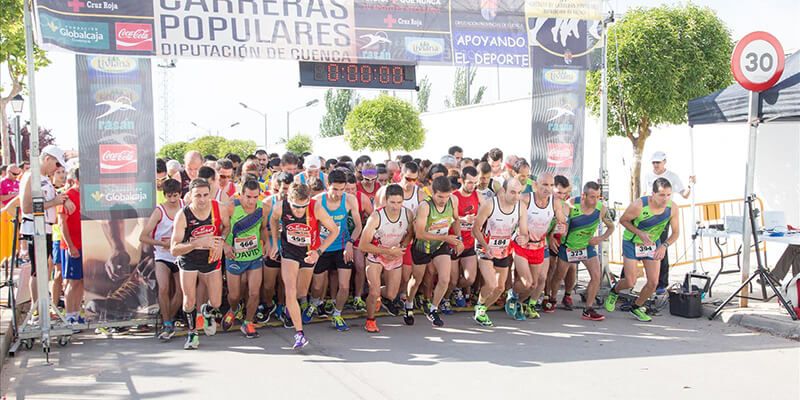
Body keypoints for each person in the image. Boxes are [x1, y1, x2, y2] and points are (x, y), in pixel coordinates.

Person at [268, 182, 340, 349]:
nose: (300, 210)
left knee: (301, 292)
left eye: (304, 206)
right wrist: (274, 243)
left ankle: (289, 309)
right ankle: (299, 334)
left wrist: (319, 252)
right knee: (291, 291)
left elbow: (334, 230)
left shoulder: (316, 208)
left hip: (309, 254)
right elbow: (272, 220)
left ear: (309, 199)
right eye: (296, 207)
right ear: (289, 199)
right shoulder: (280, 207)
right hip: (289, 253)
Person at [605, 178, 680, 322]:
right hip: (632, 242)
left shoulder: (673, 208)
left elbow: (676, 233)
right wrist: (640, 233)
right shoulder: (639, 205)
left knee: (653, 282)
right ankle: (614, 291)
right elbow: (623, 220)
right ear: (653, 194)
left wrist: (664, 246)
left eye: (669, 195)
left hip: (652, 243)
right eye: (662, 195)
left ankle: (636, 307)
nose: (666, 199)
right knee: (630, 281)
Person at [171, 178, 231, 350]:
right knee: (189, 300)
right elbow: (174, 249)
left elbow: (226, 227)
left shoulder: (219, 208)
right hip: (189, 258)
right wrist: (197, 243)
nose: (203, 199)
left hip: (211, 257)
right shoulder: (183, 215)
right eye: (198, 196)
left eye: (206, 195)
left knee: (217, 302)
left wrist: (221, 241)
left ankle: (207, 311)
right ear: (190, 195)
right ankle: (192, 334)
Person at [309, 170, 362, 331]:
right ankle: (313, 304)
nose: (338, 194)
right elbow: (311, 227)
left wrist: (350, 243)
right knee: (317, 286)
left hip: (342, 246)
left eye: (342, 189)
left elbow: (358, 225)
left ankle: (337, 314)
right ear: (327, 186)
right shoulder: (317, 201)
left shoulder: (350, 200)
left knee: (344, 286)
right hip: (323, 248)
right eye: (335, 190)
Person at [552, 181, 614, 321]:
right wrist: (559, 233)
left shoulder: (601, 208)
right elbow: (562, 224)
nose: (595, 200)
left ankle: (588, 309)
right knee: (558, 276)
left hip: (587, 247)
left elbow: (611, 227)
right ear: (583, 195)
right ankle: (552, 298)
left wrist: (600, 238)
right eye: (592, 196)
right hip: (568, 246)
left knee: (596, 275)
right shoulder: (571, 204)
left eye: (598, 197)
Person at [19, 145, 68, 323]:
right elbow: (26, 207)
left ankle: (42, 307)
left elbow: (50, 200)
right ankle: (37, 309)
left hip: (45, 228)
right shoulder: (31, 176)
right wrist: (53, 202)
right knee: (38, 270)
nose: (56, 169)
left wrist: (60, 200)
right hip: (35, 229)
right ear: (47, 159)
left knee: (44, 269)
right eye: (56, 164)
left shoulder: (44, 178)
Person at [509, 172, 566, 320]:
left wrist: (561, 228)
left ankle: (518, 302)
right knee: (526, 282)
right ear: (536, 185)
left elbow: (562, 222)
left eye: (551, 185)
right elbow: (509, 212)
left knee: (534, 284)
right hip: (521, 245)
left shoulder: (555, 202)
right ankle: (512, 294)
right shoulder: (526, 199)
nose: (548, 188)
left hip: (539, 246)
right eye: (545, 185)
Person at [408, 176, 463, 327]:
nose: (443, 200)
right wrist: (446, 237)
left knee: (445, 279)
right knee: (416, 281)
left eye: (446, 196)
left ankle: (433, 309)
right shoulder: (425, 206)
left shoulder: (453, 201)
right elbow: (419, 234)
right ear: (433, 193)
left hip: (440, 245)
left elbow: (456, 219)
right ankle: (409, 303)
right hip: (422, 246)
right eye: (440, 196)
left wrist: (459, 239)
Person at [471, 178, 527, 326]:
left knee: (500, 288)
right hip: (485, 247)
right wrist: (485, 245)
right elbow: (475, 229)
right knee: (491, 284)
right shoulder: (490, 205)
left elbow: (524, 232)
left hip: (503, 250)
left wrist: (523, 238)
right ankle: (480, 307)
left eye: (519, 193)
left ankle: (481, 308)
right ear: (504, 191)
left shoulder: (521, 207)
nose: (516, 196)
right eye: (513, 192)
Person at [359, 184, 414, 332]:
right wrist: (387, 251)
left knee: (391, 294)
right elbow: (363, 245)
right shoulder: (376, 217)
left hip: (394, 256)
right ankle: (370, 320)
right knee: (374, 291)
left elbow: (410, 232)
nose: (396, 206)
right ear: (385, 201)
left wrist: (403, 245)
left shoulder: (407, 214)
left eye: (399, 202)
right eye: (392, 202)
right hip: (376, 255)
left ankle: (373, 295)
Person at [643, 151, 695, 294]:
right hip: (647, 215)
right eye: (653, 162)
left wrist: (690, 185)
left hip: (664, 215)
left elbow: (684, 194)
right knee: (640, 245)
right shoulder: (648, 175)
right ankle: (630, 277)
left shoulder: (672, 176)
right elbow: (644, 193)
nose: (655, 165)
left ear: (664, 162)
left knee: (661, 248)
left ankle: (661, 283)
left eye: (658, 162)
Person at [221, 179, 268, 338]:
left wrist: (266, 243)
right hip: (234, 256)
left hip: (254, 256)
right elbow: (220, 229)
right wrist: (225, 246)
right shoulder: (231, 206)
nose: (251, 201)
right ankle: (234, 310)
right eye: (248, 197)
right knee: (234, 295)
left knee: (254, 293)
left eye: (255, 197)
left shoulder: (263, 208)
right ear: (241, 195)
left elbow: (263, 229)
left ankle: (248, 323)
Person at [140, 178, 184, 341]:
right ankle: (167, 322)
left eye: (176, 196)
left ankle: (168, 320)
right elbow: (143, 237)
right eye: (169, 196)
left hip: (180, 254)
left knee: (181, 292)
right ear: (164, 195)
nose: (173, 200)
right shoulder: (159, 211)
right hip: (163, 255)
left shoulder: (185, 208)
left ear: (180, 194)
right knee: (163, 288)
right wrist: (162, 243)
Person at [451, 166, 481, 308]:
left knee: (470, 279)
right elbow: (447, 218)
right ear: (461, 180)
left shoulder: (477, 195)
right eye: (469, 182)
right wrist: (463, 219)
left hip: (469, 242)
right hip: (454, 242)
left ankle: (456, 289)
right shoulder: (453, 196)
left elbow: (485, 213)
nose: (472, 186)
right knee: (451, 279)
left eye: (475, 182)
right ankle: (447, 295)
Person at [345, 172, 373, 314]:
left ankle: (357, 296)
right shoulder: (335, 198)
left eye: (353, 189)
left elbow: (374, 217)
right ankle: (334, 298)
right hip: (339, 236)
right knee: (336, 270)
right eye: (347, 190)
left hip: (357, 235)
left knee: (360, 266)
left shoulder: (362, 198)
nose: (350, 193)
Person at [58, 167, 83, 327]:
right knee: (72, 282)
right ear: (77, 180)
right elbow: (62, 223)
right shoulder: (67, 196)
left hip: (85, 244)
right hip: (72, 246)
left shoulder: (88, 195)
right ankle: (69, 316)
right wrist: (70, 245)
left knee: (81, 281)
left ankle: (76, 313)